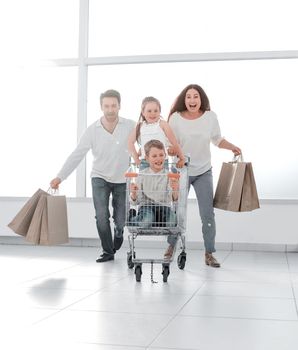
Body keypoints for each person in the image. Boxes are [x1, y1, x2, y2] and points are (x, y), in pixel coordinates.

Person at [50, 89, 135, 263]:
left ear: (119, 106)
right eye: (106, 106)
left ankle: (118, 233)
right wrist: (60, 177)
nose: (110, 109)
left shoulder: (131, 126)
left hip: (122, 179)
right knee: (101, 215)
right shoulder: (92, 130)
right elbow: (77, 154)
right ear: (101, 107)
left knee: (120, 220)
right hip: (100, 177)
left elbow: (148, 144)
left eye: (113, 105)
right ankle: (107, 251)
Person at [165, 84, 241, 267]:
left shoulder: (210, 117)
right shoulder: (175, 118)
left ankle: (209, 253)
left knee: (207, 214)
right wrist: (173, 152)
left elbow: (217, 139)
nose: (192, 100)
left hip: (203, 172)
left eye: (195, 96)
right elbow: (169, 144)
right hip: (180, 171)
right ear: (184, 99)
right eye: (189, 96)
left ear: (201, 99)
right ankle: (170, 247)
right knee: (177, 213)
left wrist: (232, 146)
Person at [129, 139, 179, 232]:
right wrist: (134, 194)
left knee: (171, 223)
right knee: (146, 221)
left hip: (164, 206)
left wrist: (175, 189)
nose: (158, 159)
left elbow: (174, 200)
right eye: (154, 156)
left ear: (165, 156)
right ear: (147, 158)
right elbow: (135, 202)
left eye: (161, 155)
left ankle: (153, 220)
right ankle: (133, 218)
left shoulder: (169, 175)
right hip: (147, 206)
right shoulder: (142, 175)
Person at [128, 96, 185, 169]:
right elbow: (130, 142)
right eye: (149, 111)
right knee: (145, 180)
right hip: (145, 162)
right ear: (143, 112)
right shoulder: (140, 126)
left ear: (160, 112)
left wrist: (182, 158)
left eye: (156, 111)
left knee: (163, 180)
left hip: (161, 162)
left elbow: (174, 142)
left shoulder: (163, 124)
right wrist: (136, 159)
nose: (153, 113)